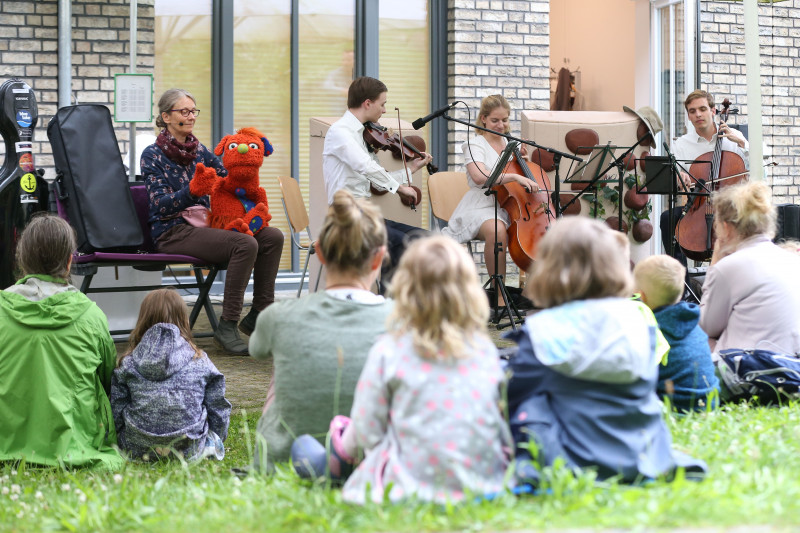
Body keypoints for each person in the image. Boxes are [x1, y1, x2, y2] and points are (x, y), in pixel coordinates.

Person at [291, 236, 511, 504]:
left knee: (304, 448)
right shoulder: (484, 352)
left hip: (407, 487)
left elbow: (366, 433)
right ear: (471, 293)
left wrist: (342, 447)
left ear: (405, 289)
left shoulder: (390, 351)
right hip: (480, 483)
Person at [505, 217, 706, 485]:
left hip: (573, 458)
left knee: (530, 403)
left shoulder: (543, 330)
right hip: (640, 451)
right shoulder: (640, 320)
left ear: (548, 269)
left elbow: (514, 395)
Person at [249, 190, 393, 473]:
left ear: (321, 253)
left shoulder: (278, 316)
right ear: (378, 259)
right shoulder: (402, 321)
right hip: (373, 467)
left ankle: (279, 450)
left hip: (285, 466)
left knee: (282, 364)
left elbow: (256, 349)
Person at [141, 88, 284, 355]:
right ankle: (227, 325)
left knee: (272, 236)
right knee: (244, 244)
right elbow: (159, 204)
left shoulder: (199, 150)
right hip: (172, 231)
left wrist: (246, 167)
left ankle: (259, 314)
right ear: (166, 117)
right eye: (184, 111)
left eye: (193, 110)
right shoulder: (152, 155)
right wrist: (193, 191)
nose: (191, 116)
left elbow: (227, 184)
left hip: (206, 226)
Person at [0, 214, 123, 470]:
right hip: (73, 446)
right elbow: (108, 380)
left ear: (22, 260)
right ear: (69, 262)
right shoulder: (91, 315)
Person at [322, 76, 432, 281]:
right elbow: (365, 166)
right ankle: (392, 306)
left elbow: (376, 180)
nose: (384, 110)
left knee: (425, 239)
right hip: (346, 219)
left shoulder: (364, 133)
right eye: (383, 104)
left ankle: (408, 302)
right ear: (367, 103)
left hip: (365, 215)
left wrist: (412, 168)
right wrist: (400, 188)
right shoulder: (340, 132)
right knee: (400, 244)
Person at [442, 94, 540, 315]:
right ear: (483, 119)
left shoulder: (510, 144)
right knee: (496, 230)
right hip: (480, 205)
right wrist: (515, 177)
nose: (501, 125)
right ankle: (499, 296)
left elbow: (517, 178)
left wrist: (520, 161)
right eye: (496, 120)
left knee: (538, 234)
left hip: (509, 206)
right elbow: (480, 177)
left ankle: (530, 294)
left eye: (505, 120)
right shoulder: (473, 144)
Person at [110, 288, 231, 461]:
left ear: (143, 320)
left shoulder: (128, 363)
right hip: (189, 448)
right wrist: (218, 435)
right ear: (184, 320)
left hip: (136, 448)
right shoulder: (200, 360)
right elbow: (218, 408)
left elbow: (116, 410)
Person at [699, 181, 800, 355]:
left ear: (726, 227)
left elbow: (706, 326)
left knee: (695, 335)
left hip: (747, 372)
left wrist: (715, 261)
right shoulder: (793, 261)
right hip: (790, 369)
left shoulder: (728, 268)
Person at [661, 89, 749, 263]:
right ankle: (681, 284)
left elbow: (759, 169)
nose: (698, 114)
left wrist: (741, 143)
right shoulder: (681, 145)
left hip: (730, 206)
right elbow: (675, 175)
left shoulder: (734, 138)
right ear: (688, 116)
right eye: (692, 111)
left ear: (713, 111)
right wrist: (679, 178)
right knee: (668, 218)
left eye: (702, 109)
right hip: (698, 207)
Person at [634, 255, 719, 412]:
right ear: (680, 294)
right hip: (709, 403)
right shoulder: (693, 325)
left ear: (642, 296)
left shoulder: (650, 332)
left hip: (672, 408)